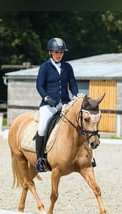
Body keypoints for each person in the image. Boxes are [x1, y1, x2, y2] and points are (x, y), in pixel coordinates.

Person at [35, 37, 79, 172]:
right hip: (48, 105)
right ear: (50, 52)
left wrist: (77, 96)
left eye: (61, 52)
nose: (59, 55)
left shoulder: (67, 67)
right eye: (56, 52)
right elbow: (39, 85)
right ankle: (40, 159)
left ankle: (85, 156)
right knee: (42, 128)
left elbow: (72, 84)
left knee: (79, 125)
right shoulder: (45, 67)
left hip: (64, 104)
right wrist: (46, 98)